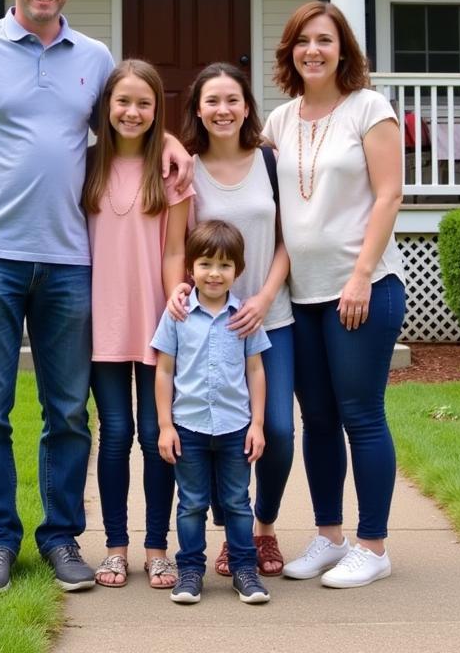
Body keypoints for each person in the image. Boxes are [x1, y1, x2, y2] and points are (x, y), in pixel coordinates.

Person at [0, 0, 191, 595]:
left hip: (71, 262)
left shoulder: (93, 57)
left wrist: (172, 141)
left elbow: (133, 112)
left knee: (69, 412)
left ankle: (62, 535)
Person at [263, 0, 405, 589]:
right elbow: (228, 163)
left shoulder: (369, 109)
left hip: (362, 290)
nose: (312, 50)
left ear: (342, 49)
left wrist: (360, 275)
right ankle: (329, 536)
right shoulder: (278, 120)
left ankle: (373, 546)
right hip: (303, 297)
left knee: (360, 415)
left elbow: (389, 195)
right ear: (289, 52)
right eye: (302, 41)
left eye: (324, 40)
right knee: (317, 419)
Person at [170, 63, 293, 578]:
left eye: (233, 100)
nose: (223, 110)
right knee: (213, 430)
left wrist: (264, 297)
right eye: (212, 101)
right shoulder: (186, 169)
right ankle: (232, 535)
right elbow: (177, 245)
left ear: (247, 107)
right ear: (198, 109)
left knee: (278, 431)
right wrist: (177, 295)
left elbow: (289, 239)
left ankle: (262, 528)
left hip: (270, 318)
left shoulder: (271, 162)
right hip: (207, 325)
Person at [83, 59, 193, 589]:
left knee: (155, 436)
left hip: (155, 322)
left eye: (144, 104)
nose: (132, 112)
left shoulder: (170, 173)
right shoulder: (84, 166)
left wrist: (176, 291)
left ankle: (156, 546)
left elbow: (175, 249)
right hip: (101, 321)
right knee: (114, 434)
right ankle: (115, 546)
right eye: (122, 101)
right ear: (106, 107)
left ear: (158, 111)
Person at [152, 220, 272, 605]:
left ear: (237, 270)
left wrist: (257, 424)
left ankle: (244, 570)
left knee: (238, 502)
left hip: (236, 427)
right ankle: (189, 571)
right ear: (191, 267)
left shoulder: (244, 317)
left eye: (224, 265)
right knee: (191, 504)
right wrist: (165, 426)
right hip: (188, 427)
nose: (215, 273)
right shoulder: (178, 314)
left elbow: (255, 369)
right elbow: (164, 370)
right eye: (205, 264)